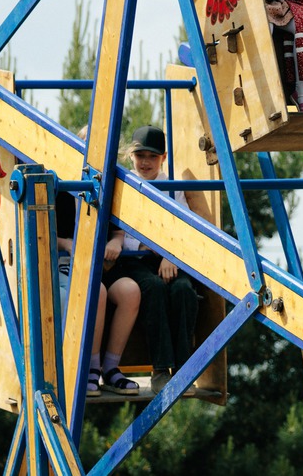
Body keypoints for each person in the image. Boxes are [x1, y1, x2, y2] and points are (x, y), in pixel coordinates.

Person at [108, 125, 200, 392]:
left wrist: (170, 255)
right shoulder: (123, 185)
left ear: (163, 157)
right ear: (131, 156)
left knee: (184, 289)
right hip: (133, 260)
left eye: (152, 156)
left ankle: (184, 370)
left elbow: (183, 228)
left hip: (167, 256)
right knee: (154, 287)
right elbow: (117, 231)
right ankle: (160, 368)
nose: (145, 162)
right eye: (140, 156)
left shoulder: (171, 187)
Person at [60, 125, 141, 395]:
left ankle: (111, 367)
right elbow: (43, 231)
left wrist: (115, 242)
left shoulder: (110, 186)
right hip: (69, 264)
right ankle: (92, 368)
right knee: (99, 292)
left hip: (101, 264)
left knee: (130, 291)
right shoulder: (61, 183)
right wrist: (67, 244)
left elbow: (118, 231)